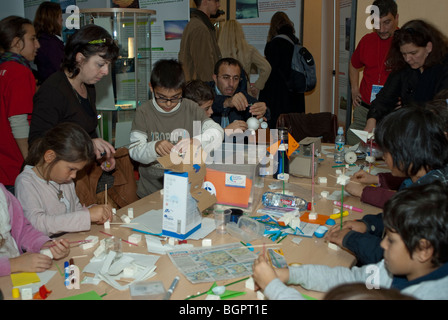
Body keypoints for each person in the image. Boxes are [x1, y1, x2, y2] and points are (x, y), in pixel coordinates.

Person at [252, 181, 448, 300]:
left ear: (423, 250)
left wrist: (273, 287)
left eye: (392, 240)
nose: (382, 244)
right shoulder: (390, 272)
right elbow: (351, 280)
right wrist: (290, 274)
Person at [29, 24, 137, 209]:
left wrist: (101, 154)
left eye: (108, 65)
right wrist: (88, 144)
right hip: (56, 187)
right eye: (100, 64)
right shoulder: (53, 91)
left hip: (81, 178)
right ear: (79, 58)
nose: (105, 72)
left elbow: (87, 131)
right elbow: (37, 145)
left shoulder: (88, 87)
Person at [328, 106, 448, 265]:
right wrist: (367, 224)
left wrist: (349, 238)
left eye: (387, 150)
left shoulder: (427, 197)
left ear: (406, 152)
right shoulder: (424, 180)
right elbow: (397, 217)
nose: (383, 157)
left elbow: (389, 256)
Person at [129, 59, 224, 198]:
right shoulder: (144, 112)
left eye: (175, 98)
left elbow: (217, 132)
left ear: (182, 91)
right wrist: (154, 147)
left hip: (185, 190)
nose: (168, 103)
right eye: (161, 98)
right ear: (151, 88)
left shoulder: (191, 108)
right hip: (150, 193)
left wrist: (197, 141)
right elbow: (134, 151)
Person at [15, 123, 113, 237]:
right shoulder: (26, 182)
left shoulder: (66, 180)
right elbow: (37, 224)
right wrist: (87, 216)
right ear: (50, 157)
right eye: (71, 169)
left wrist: (93, 210)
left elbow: (75, 212)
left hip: (69, 241)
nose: (74, 176)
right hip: (45, 249)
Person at [365, 19, 448, 133]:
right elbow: (385, 98)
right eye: (404, 54)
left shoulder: (444, 68)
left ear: (429, 47)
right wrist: (372, 119)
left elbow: (441, 109)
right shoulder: (403, 66)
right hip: (409, 131)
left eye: (413, 53)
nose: (408, 59)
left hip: (434, 132)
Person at [346, 0, 399, 145]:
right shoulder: (366, 41)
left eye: (387, 22)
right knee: (351, 147)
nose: (381, 29)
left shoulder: (404, 43)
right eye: (376, 23)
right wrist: (354, 88)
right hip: (364, 110)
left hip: (391, 113)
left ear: (397, 18)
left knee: (388, 156)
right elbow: (353, 64)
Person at [0, 16, 40, 195]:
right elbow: (18, 121)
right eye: (32, 39)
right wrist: (31, 164)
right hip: (15, 168)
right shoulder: (19, 72)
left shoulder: (4, 69)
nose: (37, 45)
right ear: (17, 43)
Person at [0, 183, 70, 276]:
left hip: (17, 272)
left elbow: (21, 229)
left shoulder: (2, 192)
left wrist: (44, 244)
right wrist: (14, 264)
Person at [258, 11, 305, 128]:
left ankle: (275, 146)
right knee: (293, 128)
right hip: (295, 95)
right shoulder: (296, 43)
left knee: (276, 130)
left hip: (277, 96)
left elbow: (269, 70)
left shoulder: (273, 44)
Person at [209, 57, 269, 129]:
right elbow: (207, 103)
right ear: (215, 78)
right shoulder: (204, 92)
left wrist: (263, 110)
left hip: (235, 140)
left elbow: (262, 110)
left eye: (236, 78)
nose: (231, 84)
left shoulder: (239, 93)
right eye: (226, 77)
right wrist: (227, 102)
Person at [217, 19, 271, 98]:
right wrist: (257, 86)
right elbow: (267, 68)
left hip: (223, 92)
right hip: (244, 93)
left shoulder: (218, 50)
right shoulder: (249, 50)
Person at [178, 0, 222, 82]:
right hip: (200, 90)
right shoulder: (200, 28)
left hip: (196, 88)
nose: (218, 5)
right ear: (205, 1)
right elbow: (205, 68)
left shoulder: (197, 24)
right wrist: (210, 90)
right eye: (215, 1)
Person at [33, 1, 65, 85]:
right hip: (55, 88)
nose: (62, 19)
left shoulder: (45, 40)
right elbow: (60, 70)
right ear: (52, 19)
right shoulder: (49, 43)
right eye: (60, 16)